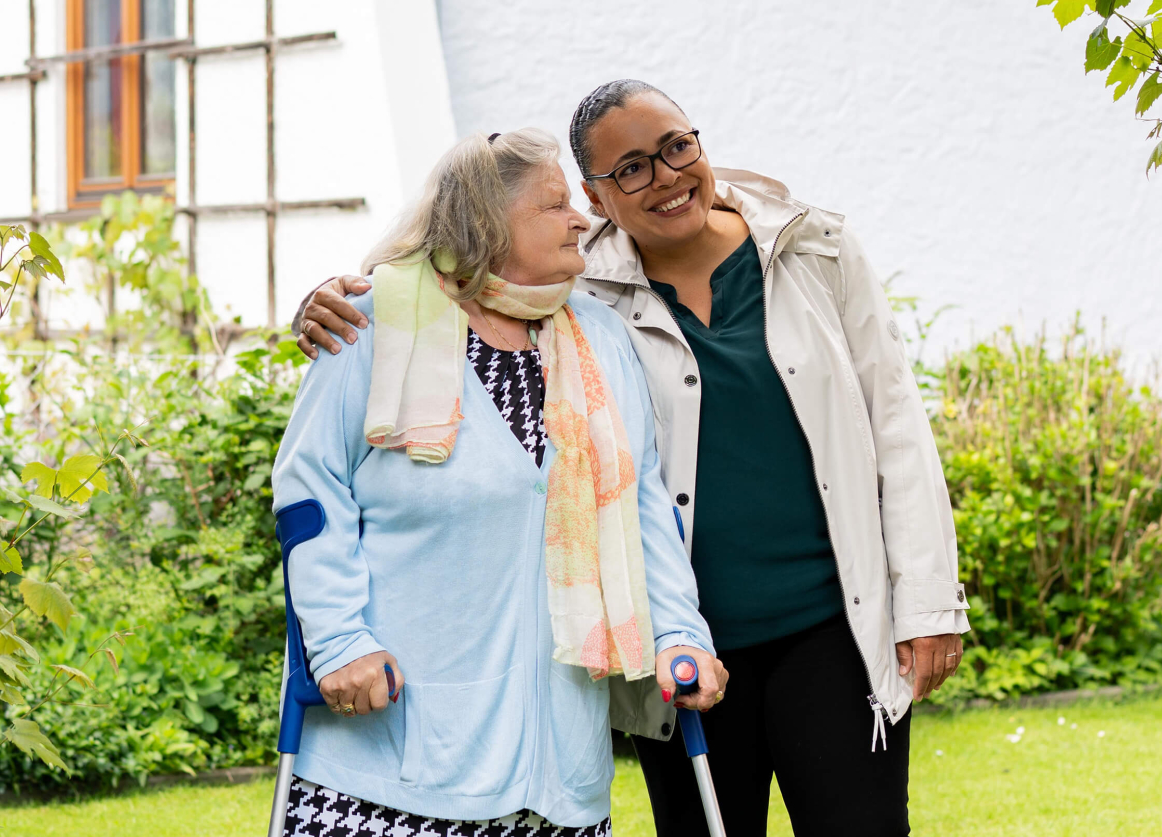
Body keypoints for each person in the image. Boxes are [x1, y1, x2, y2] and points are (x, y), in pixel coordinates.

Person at [293, 82, 970, 837]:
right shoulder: (587, 289)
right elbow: (449, 281)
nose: (665, 177)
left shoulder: (808, 251)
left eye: (676, 147)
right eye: (630, 170)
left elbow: (896, 428)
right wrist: (333, 300)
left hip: (827, 622)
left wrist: (928, 602)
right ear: (599, 194)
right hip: (683, 642)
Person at [271, 127, 725, 837]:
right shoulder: (373, 320)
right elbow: (310, 493)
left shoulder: (597, 336)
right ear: (485, 220)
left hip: (556, 761)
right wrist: (339, 644)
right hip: (394, 745)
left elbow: (639, 505)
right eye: (552, 206)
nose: (580, 218)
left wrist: (678, 632)